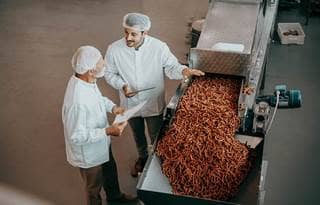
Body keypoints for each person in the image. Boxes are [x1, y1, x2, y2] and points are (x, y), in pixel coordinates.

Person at [104, 13, 205, 177]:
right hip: (130, 104)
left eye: (134, 34)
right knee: (137, 135)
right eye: (126, 32)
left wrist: (184, 70)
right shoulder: (114, 49)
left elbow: (172, 67)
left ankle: (158, 162)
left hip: (153, 103)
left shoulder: (159, 47)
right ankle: (143, 158)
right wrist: (122, 85)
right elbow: (109, 73)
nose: (128, 37)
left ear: (145, 33)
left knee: (156, 135)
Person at [62, 46, 138, 205]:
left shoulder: (86, 80)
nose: (104, 65)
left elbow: (99, 98)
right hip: (89, 154)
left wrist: (113, 108)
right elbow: (76, 136)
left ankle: (115, 198)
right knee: (93, 188)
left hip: (101, 143)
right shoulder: (77, 101)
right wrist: (108, 131)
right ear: (90, 70)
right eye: (101, 63)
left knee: (110, 171)